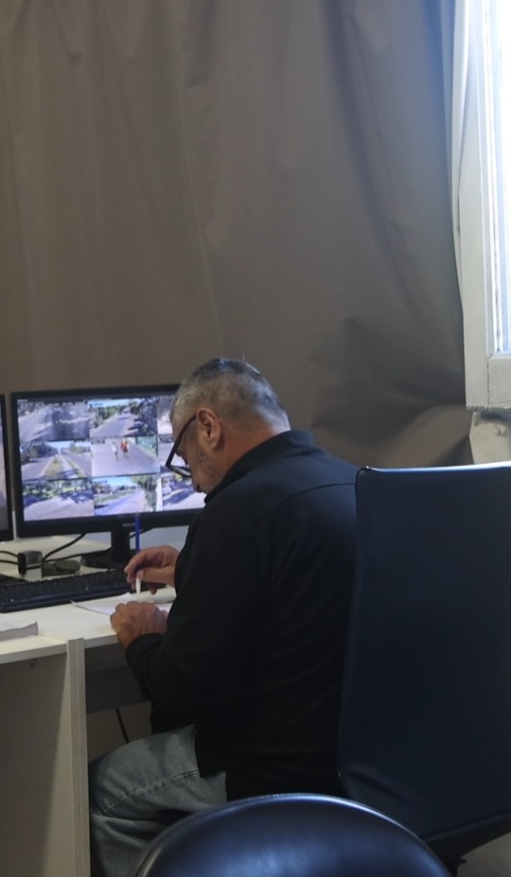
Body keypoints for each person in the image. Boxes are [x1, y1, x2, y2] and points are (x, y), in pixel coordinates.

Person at [88, 358, 360, 877]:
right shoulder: (348, 481)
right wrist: (194, 567)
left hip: (271, 766)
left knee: (101, 791)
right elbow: (296, 580)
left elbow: (182, 691)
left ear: (208, 427)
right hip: (356, 759)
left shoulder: (236, 510)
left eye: (182, 452)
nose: (191, 478)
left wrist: (142, 638)